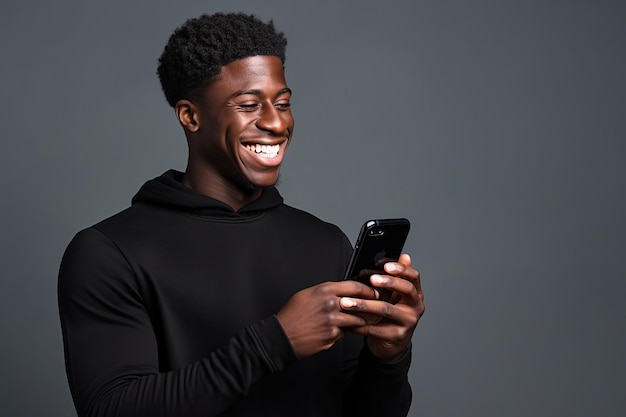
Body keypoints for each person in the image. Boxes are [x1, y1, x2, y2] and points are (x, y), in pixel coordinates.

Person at [58, 12, 424, 417]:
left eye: (282, 103)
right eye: (249, 104)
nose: (275, 122)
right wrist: (276, 342)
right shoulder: (109, 253)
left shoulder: (325, 243)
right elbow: (112, 409)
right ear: (190, 116)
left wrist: (388, 356)